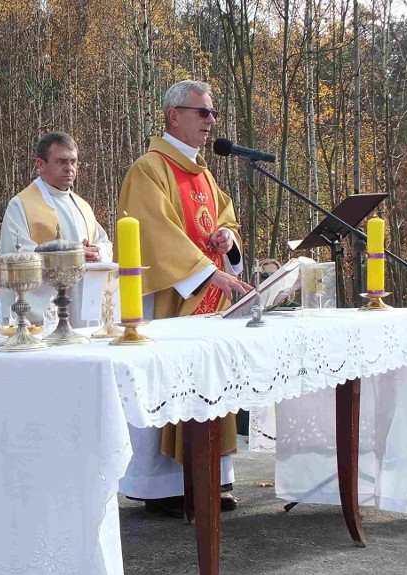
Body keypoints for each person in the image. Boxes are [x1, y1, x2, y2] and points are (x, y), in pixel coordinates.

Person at [116, 80, 252, 517]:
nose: (211, 122)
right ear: (175, 115)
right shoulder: (149, 169)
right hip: (176, 303)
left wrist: (229, 241)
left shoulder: (205, 173)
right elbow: (154, 231)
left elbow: (225, 219)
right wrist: (209, 273)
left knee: (211, 383)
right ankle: (163, 487)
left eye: (212, 114)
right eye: (202, 113)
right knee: (173, 386)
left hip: (210, 302)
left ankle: (213, 477)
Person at [0, 132, 112, 324]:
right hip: (43, 316)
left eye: (73, 162)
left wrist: (97, 252)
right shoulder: (21, 205)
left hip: (82, 309)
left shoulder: (82, 206)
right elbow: (17, 256)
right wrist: (72, 255)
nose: (70, 168)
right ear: (41, 164)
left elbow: (105, 243)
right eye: (61, 162)